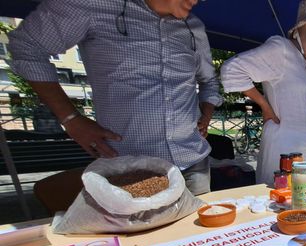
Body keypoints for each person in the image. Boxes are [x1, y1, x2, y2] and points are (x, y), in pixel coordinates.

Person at [8, 0, 223, 195]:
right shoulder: (92, 5)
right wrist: (70, 118)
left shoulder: (194, 27)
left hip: (193, 162)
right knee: (138, 238)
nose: (198, 0)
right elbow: (27, 47)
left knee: (198, 235)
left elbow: (209, 82)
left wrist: (206, 114)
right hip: (128, 168)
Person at [221, 0, 306, 185]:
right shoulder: (281, 49)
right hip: (284, 146)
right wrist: (264, 105)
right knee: (281, 201)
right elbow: (232, 69)